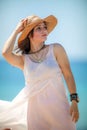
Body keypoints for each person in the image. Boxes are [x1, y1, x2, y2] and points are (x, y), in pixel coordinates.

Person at [0, 14, 79, 130]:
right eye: (39, 28)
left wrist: (74, 101)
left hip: (60, 110)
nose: (44, 30)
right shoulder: (24, 59)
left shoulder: (56, 49)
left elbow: (68, 74)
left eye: (44, 27)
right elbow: (6, 53)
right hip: (36, 115)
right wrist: (16, 31)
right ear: (29, 34)